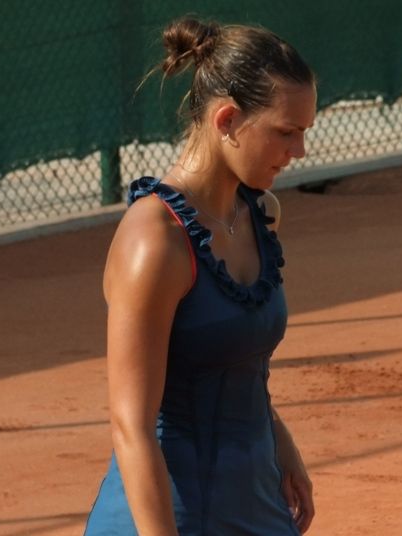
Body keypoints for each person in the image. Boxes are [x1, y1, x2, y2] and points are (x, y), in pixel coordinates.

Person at [84, 16, 317, 536]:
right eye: (286, 132)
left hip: (256, 504)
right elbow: (131, 426)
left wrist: (282, 446)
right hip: (168, 518)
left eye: (304, 132)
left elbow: (237, 364)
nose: (299, 151)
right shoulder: (154, 243)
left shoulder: (260, 214)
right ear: (227, 119)